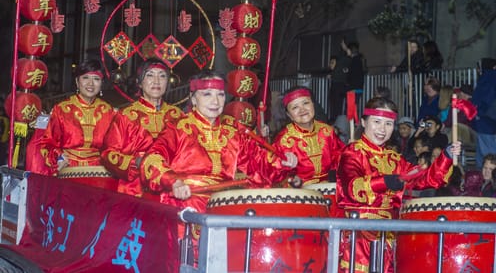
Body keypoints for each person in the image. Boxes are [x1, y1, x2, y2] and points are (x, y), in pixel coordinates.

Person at [139, 71, 298, 214]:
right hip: (184, 205)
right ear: (193, 99)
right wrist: (174, 182)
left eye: (220, 95)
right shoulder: (178, 129)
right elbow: (151, 160)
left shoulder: (232, 133)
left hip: (222, 206)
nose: (215, 101)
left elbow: (259, 162)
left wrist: (282, 162)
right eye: (207, 94)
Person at [336, 96, 459, 273]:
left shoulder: (394, 159)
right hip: (360, 235)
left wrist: (445, 157)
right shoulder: (352, 153)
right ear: (364, 122)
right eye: (377, 122)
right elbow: (352, 187)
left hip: (390, 235)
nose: (382, 129)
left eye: (388, 123)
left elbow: (424, 178)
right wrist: (385, 181)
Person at [101, 59, 183, 197]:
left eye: (162, 76)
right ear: (139, 82)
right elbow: (108, 154)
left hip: (170, 190)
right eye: (150, 75)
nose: (157, 81)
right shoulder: (126, 115)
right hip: (134, 190)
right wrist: (135, 162)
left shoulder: (178, 116)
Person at [38, 59, 115, 176]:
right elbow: (47, 143)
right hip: (68, 169)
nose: (91, 83)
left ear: (101, 83)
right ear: (77, 82)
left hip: (98, 172)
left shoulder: (108, 111)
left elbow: (114, 146)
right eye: (85, 78)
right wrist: (58, 158)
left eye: (96, 79)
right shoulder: (62, 109)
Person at [272, 86, 345, 186]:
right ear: (289, 115)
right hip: (299, 193)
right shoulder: (284, 139)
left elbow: (341, 160)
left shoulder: (327, 131)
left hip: (325, 190)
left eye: (306, 103)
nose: (302, 110)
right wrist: (284, 167)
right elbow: (273, 172)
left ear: (313, 105)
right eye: (295, 107)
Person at [471, 57, 496, 169]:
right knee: (484, 147)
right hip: (488, 119)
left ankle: (488, 174)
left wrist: (478, 110)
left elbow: (486, 97)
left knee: (486, 149)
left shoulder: (488, 77)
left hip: (484, 120)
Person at [328, 42, 350, 122]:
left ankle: (336, 118)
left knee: (337, 103)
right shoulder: (334, 72)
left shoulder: (341, 65)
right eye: (330, 63)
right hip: (335, 85)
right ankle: (333, 118)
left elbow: (348, 55)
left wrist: (345, 47)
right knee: (333, 102)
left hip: (339, 86)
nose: (330, 65)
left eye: (332, 63)